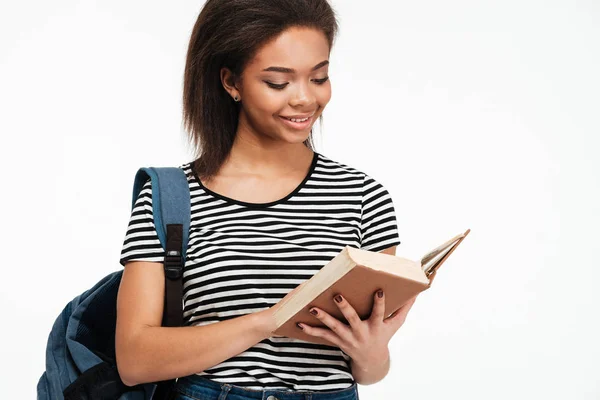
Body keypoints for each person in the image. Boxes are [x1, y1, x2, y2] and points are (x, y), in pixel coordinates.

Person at [115, 0, 418, 399]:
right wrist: (272, 320)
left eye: (319, 77)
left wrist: (370, 352)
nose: (304, 99)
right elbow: (134, 360)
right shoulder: (171, 195)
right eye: (278, 83)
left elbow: (371, 370)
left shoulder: (363, 196)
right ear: (231, 82)